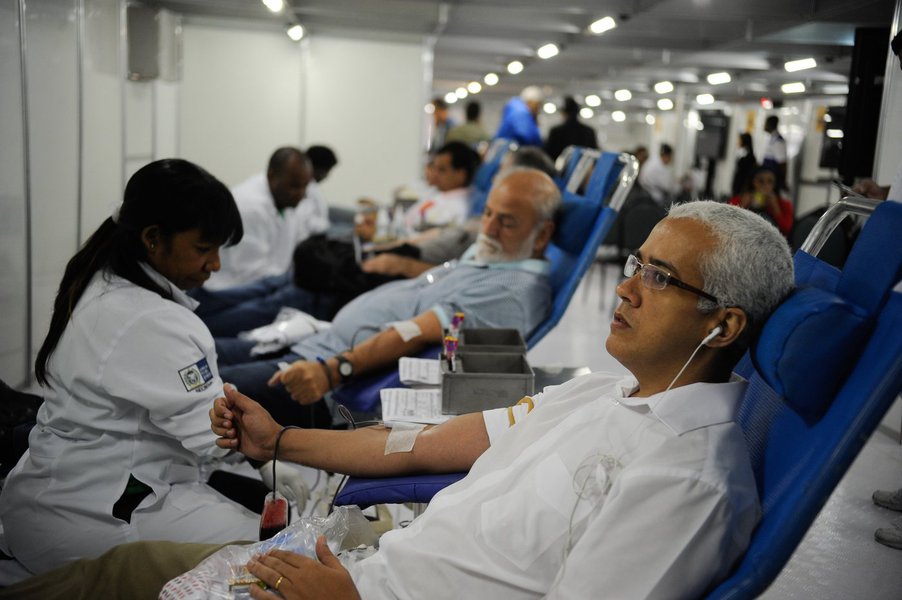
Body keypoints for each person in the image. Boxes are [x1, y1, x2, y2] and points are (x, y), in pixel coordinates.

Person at [209, 200, 795, 598]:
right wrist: (279, 440)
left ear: (722, 326)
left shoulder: (687, 482)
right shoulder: (601, 392)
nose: (624, 286)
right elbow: (423, 445)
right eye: (637, 264)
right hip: (373, 568)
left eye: (659, 277)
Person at [0, 159, 261, 576]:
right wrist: (297, 452)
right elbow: (220, 438)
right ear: (153, 238)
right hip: (99, 516)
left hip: (67, 492)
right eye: (203, 248)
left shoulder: (103, 279)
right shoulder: (148, 319)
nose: (215, 264)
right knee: (276, 555)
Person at [216, 168, 560, 427]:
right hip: (314, 341)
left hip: (323, 378)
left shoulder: (511, 291)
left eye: (507, 222)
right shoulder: (493, 258)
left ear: (542, 234)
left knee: (205, 387)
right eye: (487, 214)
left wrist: (333, 370)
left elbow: (416, 332)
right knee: (206, 353)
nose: (489, 229)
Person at [205, 147, 313, 290]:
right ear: (271, 176)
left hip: (265, 282)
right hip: (231, 290)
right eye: (295, 186)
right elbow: (251, 271)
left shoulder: (285, 200)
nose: (301, 194)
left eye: (305, 186)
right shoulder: (248, 206)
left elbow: (299, 246)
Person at [402, 141, 480, 233]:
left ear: (461, 174)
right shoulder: (438, 193)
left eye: (442, 170)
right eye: (434, 168)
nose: (435, 174)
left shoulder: (459, 207)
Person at [729, 166, 794, 237]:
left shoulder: (784, 204)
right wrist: (742, 206)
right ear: (753, 182)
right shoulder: (739, 199)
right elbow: (728, 223)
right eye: (760, 181)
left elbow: (786, 230)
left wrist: (775, 208)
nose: (765, 186)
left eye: (770, 181)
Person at [294, 144, 339, 236]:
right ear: (317, 169)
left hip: (321, 227)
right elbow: (306, 222)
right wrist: (329, 227)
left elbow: (322, 210)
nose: (326, 176)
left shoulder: (312, 185)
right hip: (312, 236)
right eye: (326, 171)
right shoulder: (303, 186)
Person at [543, 96, 598, 160]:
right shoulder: (589, 131)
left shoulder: (556, 131)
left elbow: (548, 155)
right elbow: (594, 154)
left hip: (559, 169)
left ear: (563, 113)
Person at [761, 115, 788, 192]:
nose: (764, 125)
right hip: (766, 177)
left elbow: (782, 163)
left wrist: (783, 181)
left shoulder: (778, 141)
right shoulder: (772, 138)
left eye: (765, 123)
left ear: (770, 124)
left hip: (773, 180)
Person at [731, 132, 758, 197]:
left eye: (740, 140)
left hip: (742, 186)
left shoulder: (749, 157)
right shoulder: (743, 153)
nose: (738, 142)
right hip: (739, 184)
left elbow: (747, 174)